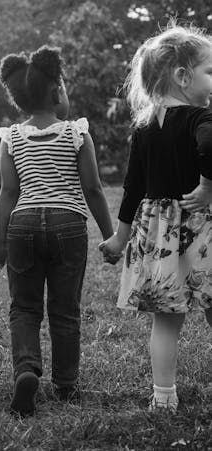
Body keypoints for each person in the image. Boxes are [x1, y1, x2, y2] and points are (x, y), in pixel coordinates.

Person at [0, 46, 114, 416]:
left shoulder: (10, 137)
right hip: (68, 226)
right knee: (65, 309)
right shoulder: (77, 133)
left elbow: (9, 192)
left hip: (23, 226)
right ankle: (66, 384)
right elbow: (92, 189)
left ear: (17, 100)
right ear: (58, 92)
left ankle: (26, 370)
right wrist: (109, 236)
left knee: (24, 308)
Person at [99, 24, 212, 411]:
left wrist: (119, 237)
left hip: (157, 233)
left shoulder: (144, 127)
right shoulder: (200, 117)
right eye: (209, 71)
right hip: (200, 229)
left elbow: (133, 187)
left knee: (165, 320)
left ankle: (164, 397)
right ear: (183, 77)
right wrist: (208, 186)